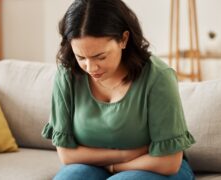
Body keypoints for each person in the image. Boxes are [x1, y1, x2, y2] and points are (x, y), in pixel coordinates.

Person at [41, 0, 196, 179]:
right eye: (81, 57)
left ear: (123, 39)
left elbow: (169, 162)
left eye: (100, 56)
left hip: (157, 168)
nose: (90, 67)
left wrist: (116, 169)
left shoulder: (158, 77)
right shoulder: (67, 75)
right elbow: (67, 155)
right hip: (99, 167)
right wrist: (121, 158)